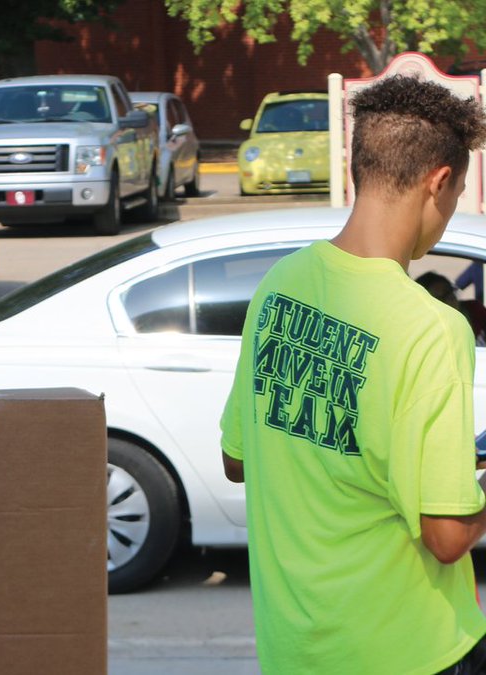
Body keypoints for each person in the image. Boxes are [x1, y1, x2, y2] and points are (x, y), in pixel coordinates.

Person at [220, 75, 486, 674]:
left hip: (296, 651)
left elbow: (238, 459)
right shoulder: (434, 329)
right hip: (413, 653)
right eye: (459, 193)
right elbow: (446, 535)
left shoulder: (279, 287)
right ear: (438, 181)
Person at [416, 270, 486, 345]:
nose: (450, 298)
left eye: (450, 291)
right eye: (441, 297)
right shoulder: (428, 332)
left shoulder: (474, 309)